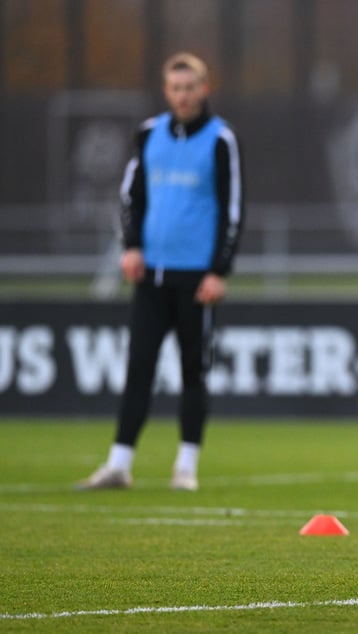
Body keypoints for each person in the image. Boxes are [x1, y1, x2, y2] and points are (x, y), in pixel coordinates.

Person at [79, 52, 244, 491]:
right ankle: (118, 464)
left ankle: (185, 467)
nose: (183, 95)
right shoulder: (149, 134)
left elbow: (232, 210)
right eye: (176, 88)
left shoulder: (220, 139)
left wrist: (218, 270)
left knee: (195, 372)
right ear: (166, 91)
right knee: (138, 369)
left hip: (196, 279)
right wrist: (131, 247)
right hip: (151, 276)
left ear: (204, 89)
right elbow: (130, 197)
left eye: (191, 87)